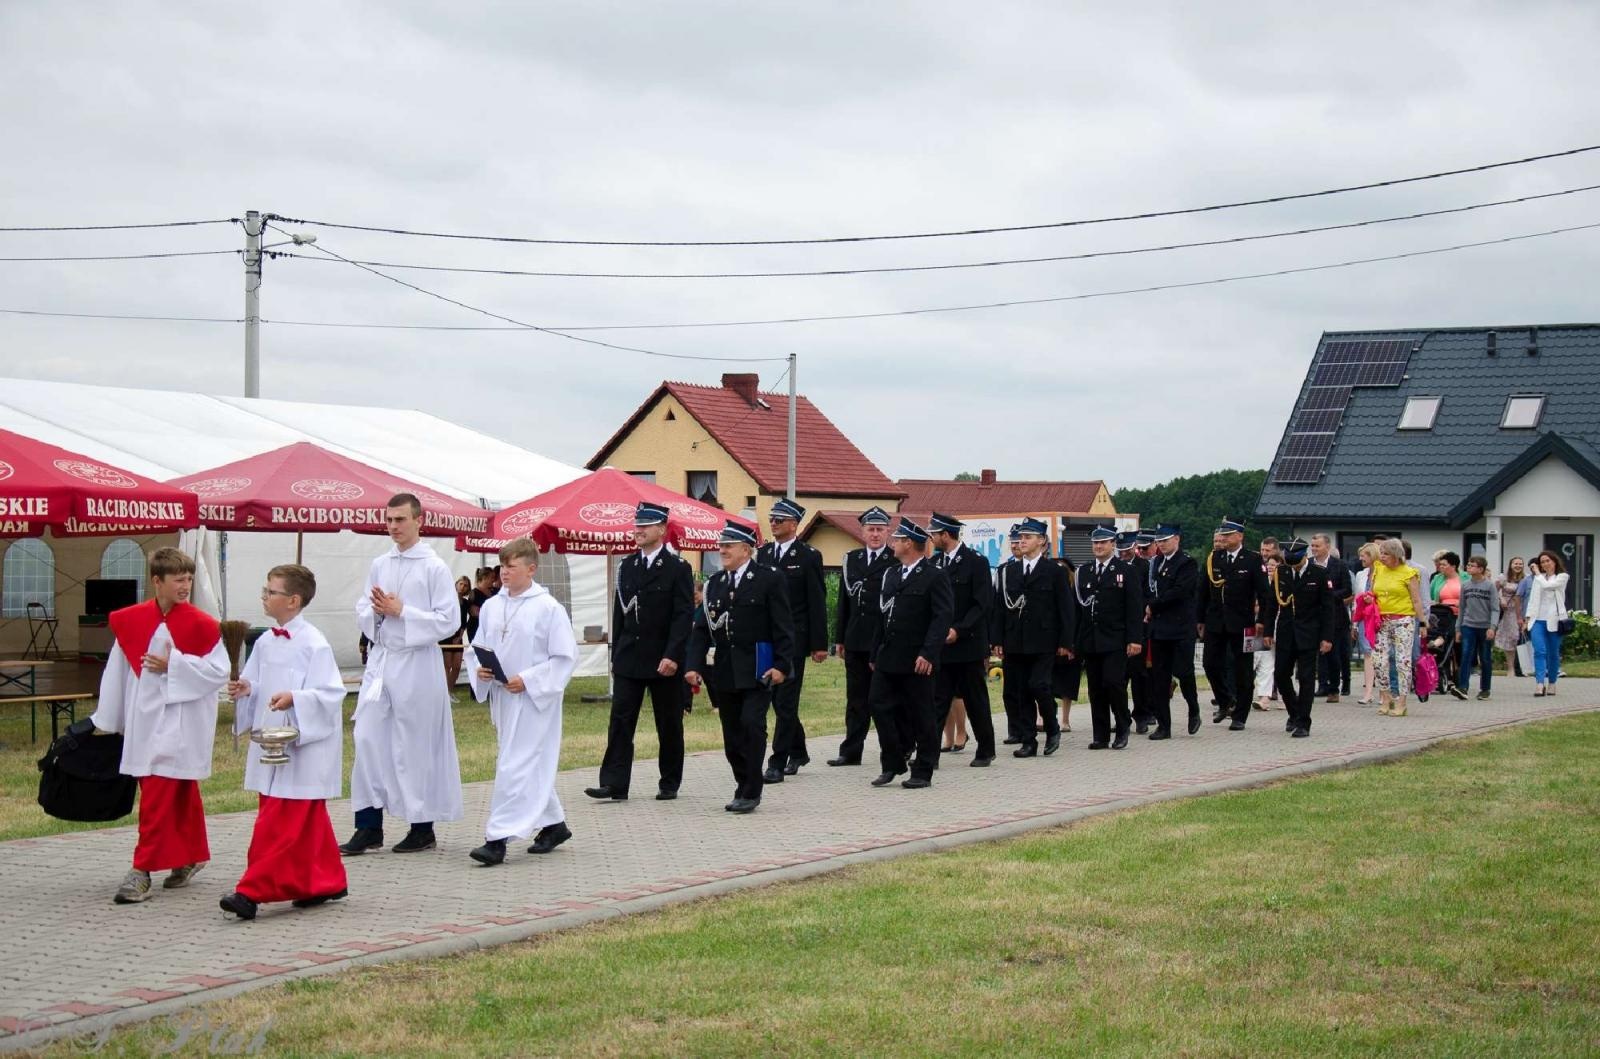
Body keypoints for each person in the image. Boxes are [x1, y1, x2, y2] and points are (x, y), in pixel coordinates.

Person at [91, 547, 228, 905]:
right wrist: (110, 718)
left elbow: (218, 673)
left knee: (161, 794)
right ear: (157, 581)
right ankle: (190, 855)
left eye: (189, 579)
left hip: (183, 723)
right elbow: (116, 672)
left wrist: (176, 666)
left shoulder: (202, 624)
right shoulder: (130, 621)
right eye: (178, 579)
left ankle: (142, 870)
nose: (185, 586)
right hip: (145, 720)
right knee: (176, 791)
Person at [219, 564, 349, 920]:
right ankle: (324, 880)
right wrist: (247, 689)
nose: (264, 596)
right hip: (272, 741)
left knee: (280, 823)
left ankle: (252, 891)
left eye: (270, 591)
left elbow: (330, 693)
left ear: (293, 600)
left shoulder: (314, 644)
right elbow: (256, 682)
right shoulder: (264, 641)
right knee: (304, 820)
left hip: (303, 745)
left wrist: (296, 698)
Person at [343, 493, 464, 856]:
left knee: (413, 743)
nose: (393, 526)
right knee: (366, 736)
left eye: (400, 519)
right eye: (389, 519)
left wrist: (403, 611)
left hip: (416, 662)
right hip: (383, 662)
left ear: (418, 520)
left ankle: (421, 826)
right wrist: (377, 613)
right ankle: (368, 823)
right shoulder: (380, 563)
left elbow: (449, 621)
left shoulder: (434, 567)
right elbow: (365, 606)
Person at [467, 538, 578, 864]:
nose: (504, 572)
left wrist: (528, 680)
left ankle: (497, 837)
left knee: (513, 765)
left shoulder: (548, 609)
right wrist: (481, 670)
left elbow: (564, 658)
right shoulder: (491, 606)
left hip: (533, 701)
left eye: (511, 566)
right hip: (503, 697)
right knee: (522, 763)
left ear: (531, 569)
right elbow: (479, 646)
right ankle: (554, 824)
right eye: (502, 566)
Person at [685, 521, 796, 814]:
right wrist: (693, 665)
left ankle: (750, 790)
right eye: (721, 545)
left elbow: (783, 626)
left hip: (760, 668)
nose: (721, 550)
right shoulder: (715, 584)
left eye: (728, 546)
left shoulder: (769, 579)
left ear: (746, 550)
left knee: (751, 725)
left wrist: (782, 666)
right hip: (725, 670)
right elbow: (701, 629)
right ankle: (741, 782)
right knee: (732, 735)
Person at [587, 502, 695, 803]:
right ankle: (614, 783)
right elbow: (620, 614)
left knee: (668, 723)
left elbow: (682, 615)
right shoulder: (627, 567)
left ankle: (670, 781)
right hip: (630, 656)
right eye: (637, 525)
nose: (638, 530)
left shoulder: (678, 568)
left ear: (661, 529)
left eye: (646, 525)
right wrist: (615, 656)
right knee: (620, 720)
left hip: (663, 658)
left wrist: (673, 655)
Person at [868, 518, 954, 789]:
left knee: (922, 713)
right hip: (889, 656)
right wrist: (874, 653)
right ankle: (892, 760)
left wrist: (929, 653)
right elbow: (883, 616)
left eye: (897, 539)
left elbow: (942, 618)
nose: (892, 543)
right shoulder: (891, 574)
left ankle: (923, 769)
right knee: (878, 705)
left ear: (909, 543)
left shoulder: (934, 575)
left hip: (918, 658)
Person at [756, 497, 827, 782]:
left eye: (779, 520)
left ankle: (777, 761)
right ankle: (798, 750)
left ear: (794, 524)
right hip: (766, 640)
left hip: (794, 640)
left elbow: (817, 602)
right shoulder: (764, 554)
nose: (773, 523)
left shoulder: (808, 556)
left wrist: (819, 644)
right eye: (772, 519)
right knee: (774, 700)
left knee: (786, 701)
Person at [992, 517, 1075, 758]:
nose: (1022, 541)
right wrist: (997, 639)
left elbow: (1065, 609)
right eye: (1021, 537)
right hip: (1015, 641)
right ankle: (1028, 740)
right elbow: (1000, 608)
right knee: (1021, 691)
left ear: (1042, 542)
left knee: (1039, 685)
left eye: (1028, 537)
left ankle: (1052, 727)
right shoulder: (1010, 571)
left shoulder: (1054, 571)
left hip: (1044, 641)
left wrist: (1065, 642)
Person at [828, 507, 897, 768]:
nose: (876, 534)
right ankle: (851, 750)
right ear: (863, 531)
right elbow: (843, 603)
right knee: (855, 698)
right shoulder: (852, 559)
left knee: (884, 699)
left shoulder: (894, 560)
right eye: (871, 529)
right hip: (856, 639)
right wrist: (840, 638)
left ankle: (893, 749)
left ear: (887, 532)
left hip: (882, 640)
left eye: (880, 529)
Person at [929, 512, 997, 767]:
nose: (931, 538)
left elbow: (982, 605)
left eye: (934, 534)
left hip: (968, 645)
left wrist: (959, 629)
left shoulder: (975, 562)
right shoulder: (935, 563)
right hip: (942, 647)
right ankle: (930, 754)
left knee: (975, 700)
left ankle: (986, 749)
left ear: (945, 535)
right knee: (937, 700)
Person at [1199, 518, 1273, 730]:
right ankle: (1225, 700)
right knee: (1210, 664)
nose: (1223, 538)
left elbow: (1264, 594)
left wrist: (1262, 622)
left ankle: (1240, 714)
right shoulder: (1214, 558)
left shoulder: (1252, 559)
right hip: (1216, 621)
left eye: (1228, 534)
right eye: (1222, 534)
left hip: (1243, 623)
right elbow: (1203, 590)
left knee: (1243, 669)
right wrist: (1200, 619)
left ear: (1239, 536)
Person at [1074, 526, 1143, 749]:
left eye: (1103, 542)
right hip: (1091, 639)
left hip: (1115, 638)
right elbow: (1079, 609)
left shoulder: (1125, 570)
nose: (1098, 546)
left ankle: (1123, 727)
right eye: (1095, 543)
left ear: (1113, 544)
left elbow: (1134, 608)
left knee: (1114, 683)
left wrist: (1135, 639)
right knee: (1096, 688)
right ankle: (1100, 735)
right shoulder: (1083, 571)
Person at [1268, 539, 1330, 738]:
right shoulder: (1282, 573)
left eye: (1296, 562)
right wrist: (1268, 631)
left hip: (1309, 633)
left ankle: (1303, 722)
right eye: (1290, 562)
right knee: (1280, 675)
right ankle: (1294, 712)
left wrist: (1327, 637)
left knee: (1305, 678)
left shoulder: (1319, 574)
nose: (1292, 566)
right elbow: (1271, 604)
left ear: (1304, 557)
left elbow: (1328, 609)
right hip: (1286, 633)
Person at [1146, 524, 1201, 737]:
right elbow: (1149, 588)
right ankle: (1164, 725)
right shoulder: (1156, 562)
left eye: (1165, 540)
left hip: (1180, 628)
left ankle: (1193, 708)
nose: (1161, 544)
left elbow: (1179, 592)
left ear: (1177, 539)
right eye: (1159, 541)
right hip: (1159, 628)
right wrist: (1148, 606)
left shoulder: (1187, 563)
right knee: (1159, 678)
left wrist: (1153, 605)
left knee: (1184, 672)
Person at [1371, 538, 1428, 717]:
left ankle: (1402, 701)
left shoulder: (1409, 573)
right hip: (1381, 620)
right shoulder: (1378, 569)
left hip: (1403, 620)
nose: (1382, 556)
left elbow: (1416, 599)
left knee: (1402, 660)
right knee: (1379, 660)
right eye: (1381, 553)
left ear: (1396, 555)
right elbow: (1373, 593)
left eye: (1386, 553)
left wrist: (1423, 622)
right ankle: (1386, 697)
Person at [1118, 531, 1155, 733]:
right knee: (1118, 678)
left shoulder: (1144, 567)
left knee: (1139, 675)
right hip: (1117, 629)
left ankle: (1142, 714)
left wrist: (1147, 611)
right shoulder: (1115, 566)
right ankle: (1121, 716)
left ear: (1134, 548)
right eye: (1120, 551)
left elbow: (1150, 593)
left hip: (1138, 626)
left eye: (1126, 550)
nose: (1123, 554)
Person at [1309, 534, 1353, 702]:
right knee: (1315, 652)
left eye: (1317, 546)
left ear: (1327, 547)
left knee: (1332, 654)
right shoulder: (1308, 564)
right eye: (1312, 546)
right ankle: (1321, 685)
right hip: (1312, 615)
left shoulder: (1340, 565)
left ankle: (1334, 688)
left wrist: (1328, 596)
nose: (1314, 549)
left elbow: (1347, 590)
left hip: (1335, 616)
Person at [1525, 550, 1571, 696]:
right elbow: (1533, 599)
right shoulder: (1539, 578)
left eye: (1547, 561)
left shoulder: (1562, 576)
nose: (1545, 564)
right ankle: (1539, 683)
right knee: (1539, 651)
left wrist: (1537, 574)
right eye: (1542, 562)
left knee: (1553, 653)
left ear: (1554, 562)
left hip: (1555, 620)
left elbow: (1548, 586)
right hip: (1538, 619)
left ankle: (1552, 682)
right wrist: (1527, 618)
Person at [1457, 556, 1500, 700]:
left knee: (1485, 657)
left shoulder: (1489, 586)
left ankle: (1485, 689)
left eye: (1472, 565)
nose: (1469, 567)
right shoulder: (1465, 585)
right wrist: (1458, 628)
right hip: (1468, 625)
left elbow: (1495, 608)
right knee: (1466, 655)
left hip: (1484, 626)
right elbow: (1462, 608)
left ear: (1481, 569)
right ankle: (1463, 687)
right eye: (1468, 565)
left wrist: (1492, 627)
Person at [1350, 543, 1381, 704]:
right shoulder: (1361, 575)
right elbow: (1357, 599)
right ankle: (1368, 691)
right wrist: (1354, 623)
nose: (1361, 558)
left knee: (1381, 654)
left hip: (1379, 617)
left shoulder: (1383, 574)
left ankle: (1384, 692)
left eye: (1364, 555)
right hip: (1363, 618)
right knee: (1367, 653)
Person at [1495, 557, 1527, 679]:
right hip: (1508, 611)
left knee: (1522, 638)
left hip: (1521, 610)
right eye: (1515, 563)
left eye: (1520, 564)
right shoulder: (1503, 578)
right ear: (1510, 564)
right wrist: (1501, 598)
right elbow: (1494, 591)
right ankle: (1510, 668)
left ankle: (1523, 667)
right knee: (1511, 639)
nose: (1518, 566)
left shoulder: (1526, 578)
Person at [441, 575, 470, 688]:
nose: (462, 587)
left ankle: (450, 689)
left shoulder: (466, 603)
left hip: (458, 636)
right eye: (461, 584)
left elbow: (464, 621)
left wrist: (459, 636)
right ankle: (446, 692)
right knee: (447, 665)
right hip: (447, 635)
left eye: (465, 585)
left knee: (457, 666)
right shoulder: (448, 599)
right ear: (456, 584)